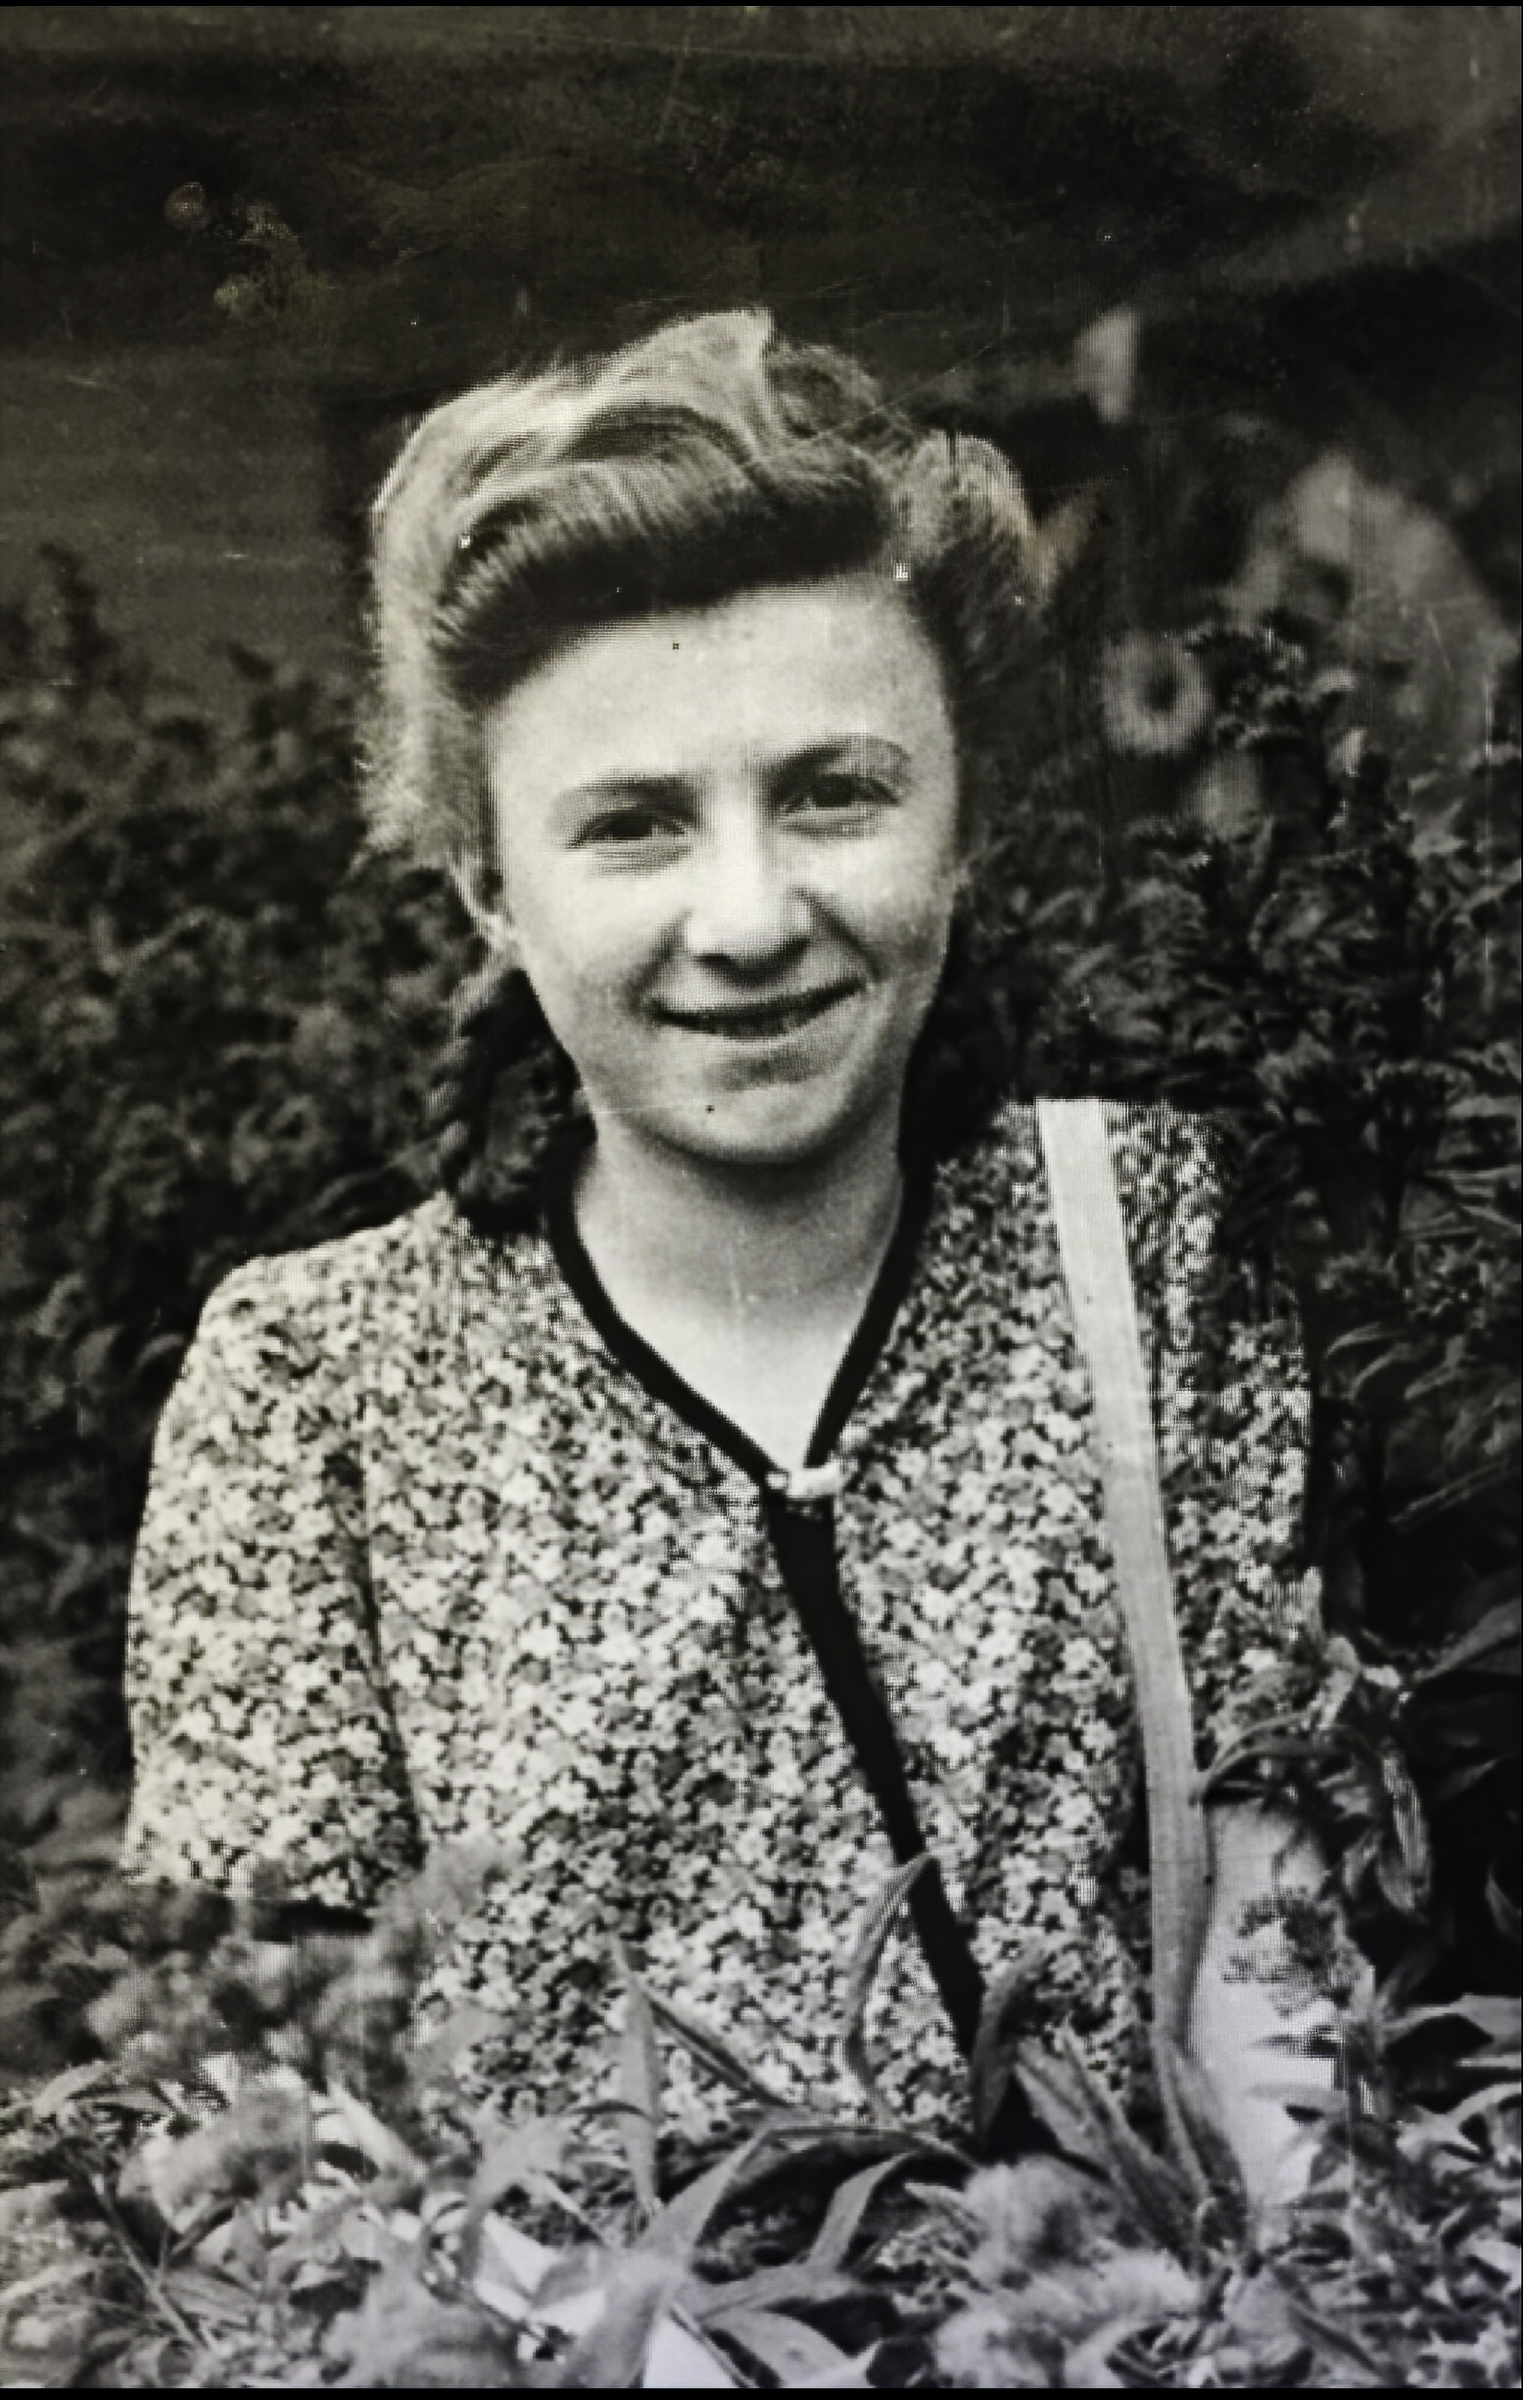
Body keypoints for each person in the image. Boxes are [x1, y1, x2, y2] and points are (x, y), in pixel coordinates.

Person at [121, 309, 1345, 2200]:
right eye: (631, 827)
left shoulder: (1150, 1250)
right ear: (486, 891)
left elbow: (1283, 1995)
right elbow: (286, 2106)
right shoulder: (318, 1386)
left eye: (836, 793)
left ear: (960, 829)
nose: (751, 913)